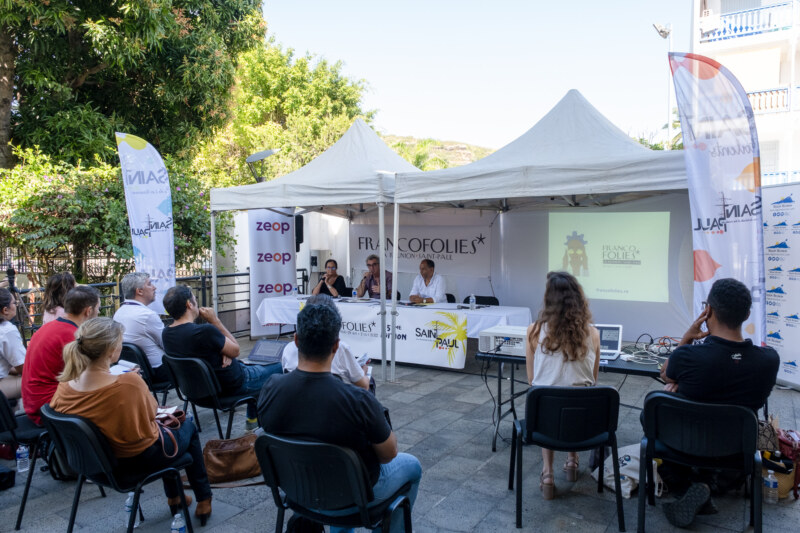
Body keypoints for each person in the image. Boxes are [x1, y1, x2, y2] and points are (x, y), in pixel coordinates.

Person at [257, 303, 421, 533]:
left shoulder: (270, 389)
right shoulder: (358, 400)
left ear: (296, 340)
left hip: (296, 491)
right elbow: (388, 454)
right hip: (354, 499)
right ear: (336, 345)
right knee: (412, 466)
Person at [49, 318, 213, 524]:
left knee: (165, 432)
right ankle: (203, 498)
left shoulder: (65, 385)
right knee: (187, 425)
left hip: (95, 466)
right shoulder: (128, 383)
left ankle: (176, 496)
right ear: (111, 350)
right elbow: (152, 414)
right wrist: (134, 383)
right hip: (137, 461)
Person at [657, 278, 780, 528]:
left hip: (684, 445)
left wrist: (687, 338)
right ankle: (708, 484)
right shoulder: (768, 361)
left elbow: (666, 373)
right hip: (736, 450)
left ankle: (690, 485)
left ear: (708, 310)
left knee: (656, 411)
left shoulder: (688, 357)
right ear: (747, 314)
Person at [161, 285, 282, 431]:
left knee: (251, 364)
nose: (196, 301)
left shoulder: (166, 334)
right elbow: (236, 350)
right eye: (194, 298)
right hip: (234, 385)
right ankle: (280, 422)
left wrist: (224, 351)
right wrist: (215, 321)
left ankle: (252, 420)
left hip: (195, 393)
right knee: (282, 365)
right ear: (189, 304)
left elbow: (205, 351)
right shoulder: (205, 331)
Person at [524, 271, 599, 500]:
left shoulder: (534, 331)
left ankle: (547, 473)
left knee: (546, 396)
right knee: (576, 394)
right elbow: (592, 381)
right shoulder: (593, 334)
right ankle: (572, 460)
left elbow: (532, 381)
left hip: (545, 421)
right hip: (582, 423)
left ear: (548, 300)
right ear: (578, 299)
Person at [22, 285, 100, 425]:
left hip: (33, 402)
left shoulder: (48, 327)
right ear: (88, 311)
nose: (99, 312)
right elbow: (89, 377)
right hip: (49, 409)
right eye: (98, 308)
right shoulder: (72, 335)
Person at [281, 294, 369, 390]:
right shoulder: (342, 349)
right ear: (335, 345)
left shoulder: (288, 349)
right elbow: (364, 385)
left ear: (296, 340)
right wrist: (363, 372)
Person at [113, 272, 171, 383]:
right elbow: (167, 345)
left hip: (132, 368)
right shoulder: (147, 315)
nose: (154, 287)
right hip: (157, 372)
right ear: (139, 291)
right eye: (149, 284)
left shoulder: (119, 312)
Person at [0, 288, 25, 401]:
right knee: (41, 380)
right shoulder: (7, 330)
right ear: (5, 310)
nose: (16, 305)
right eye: (14, 303)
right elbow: (24, 368)